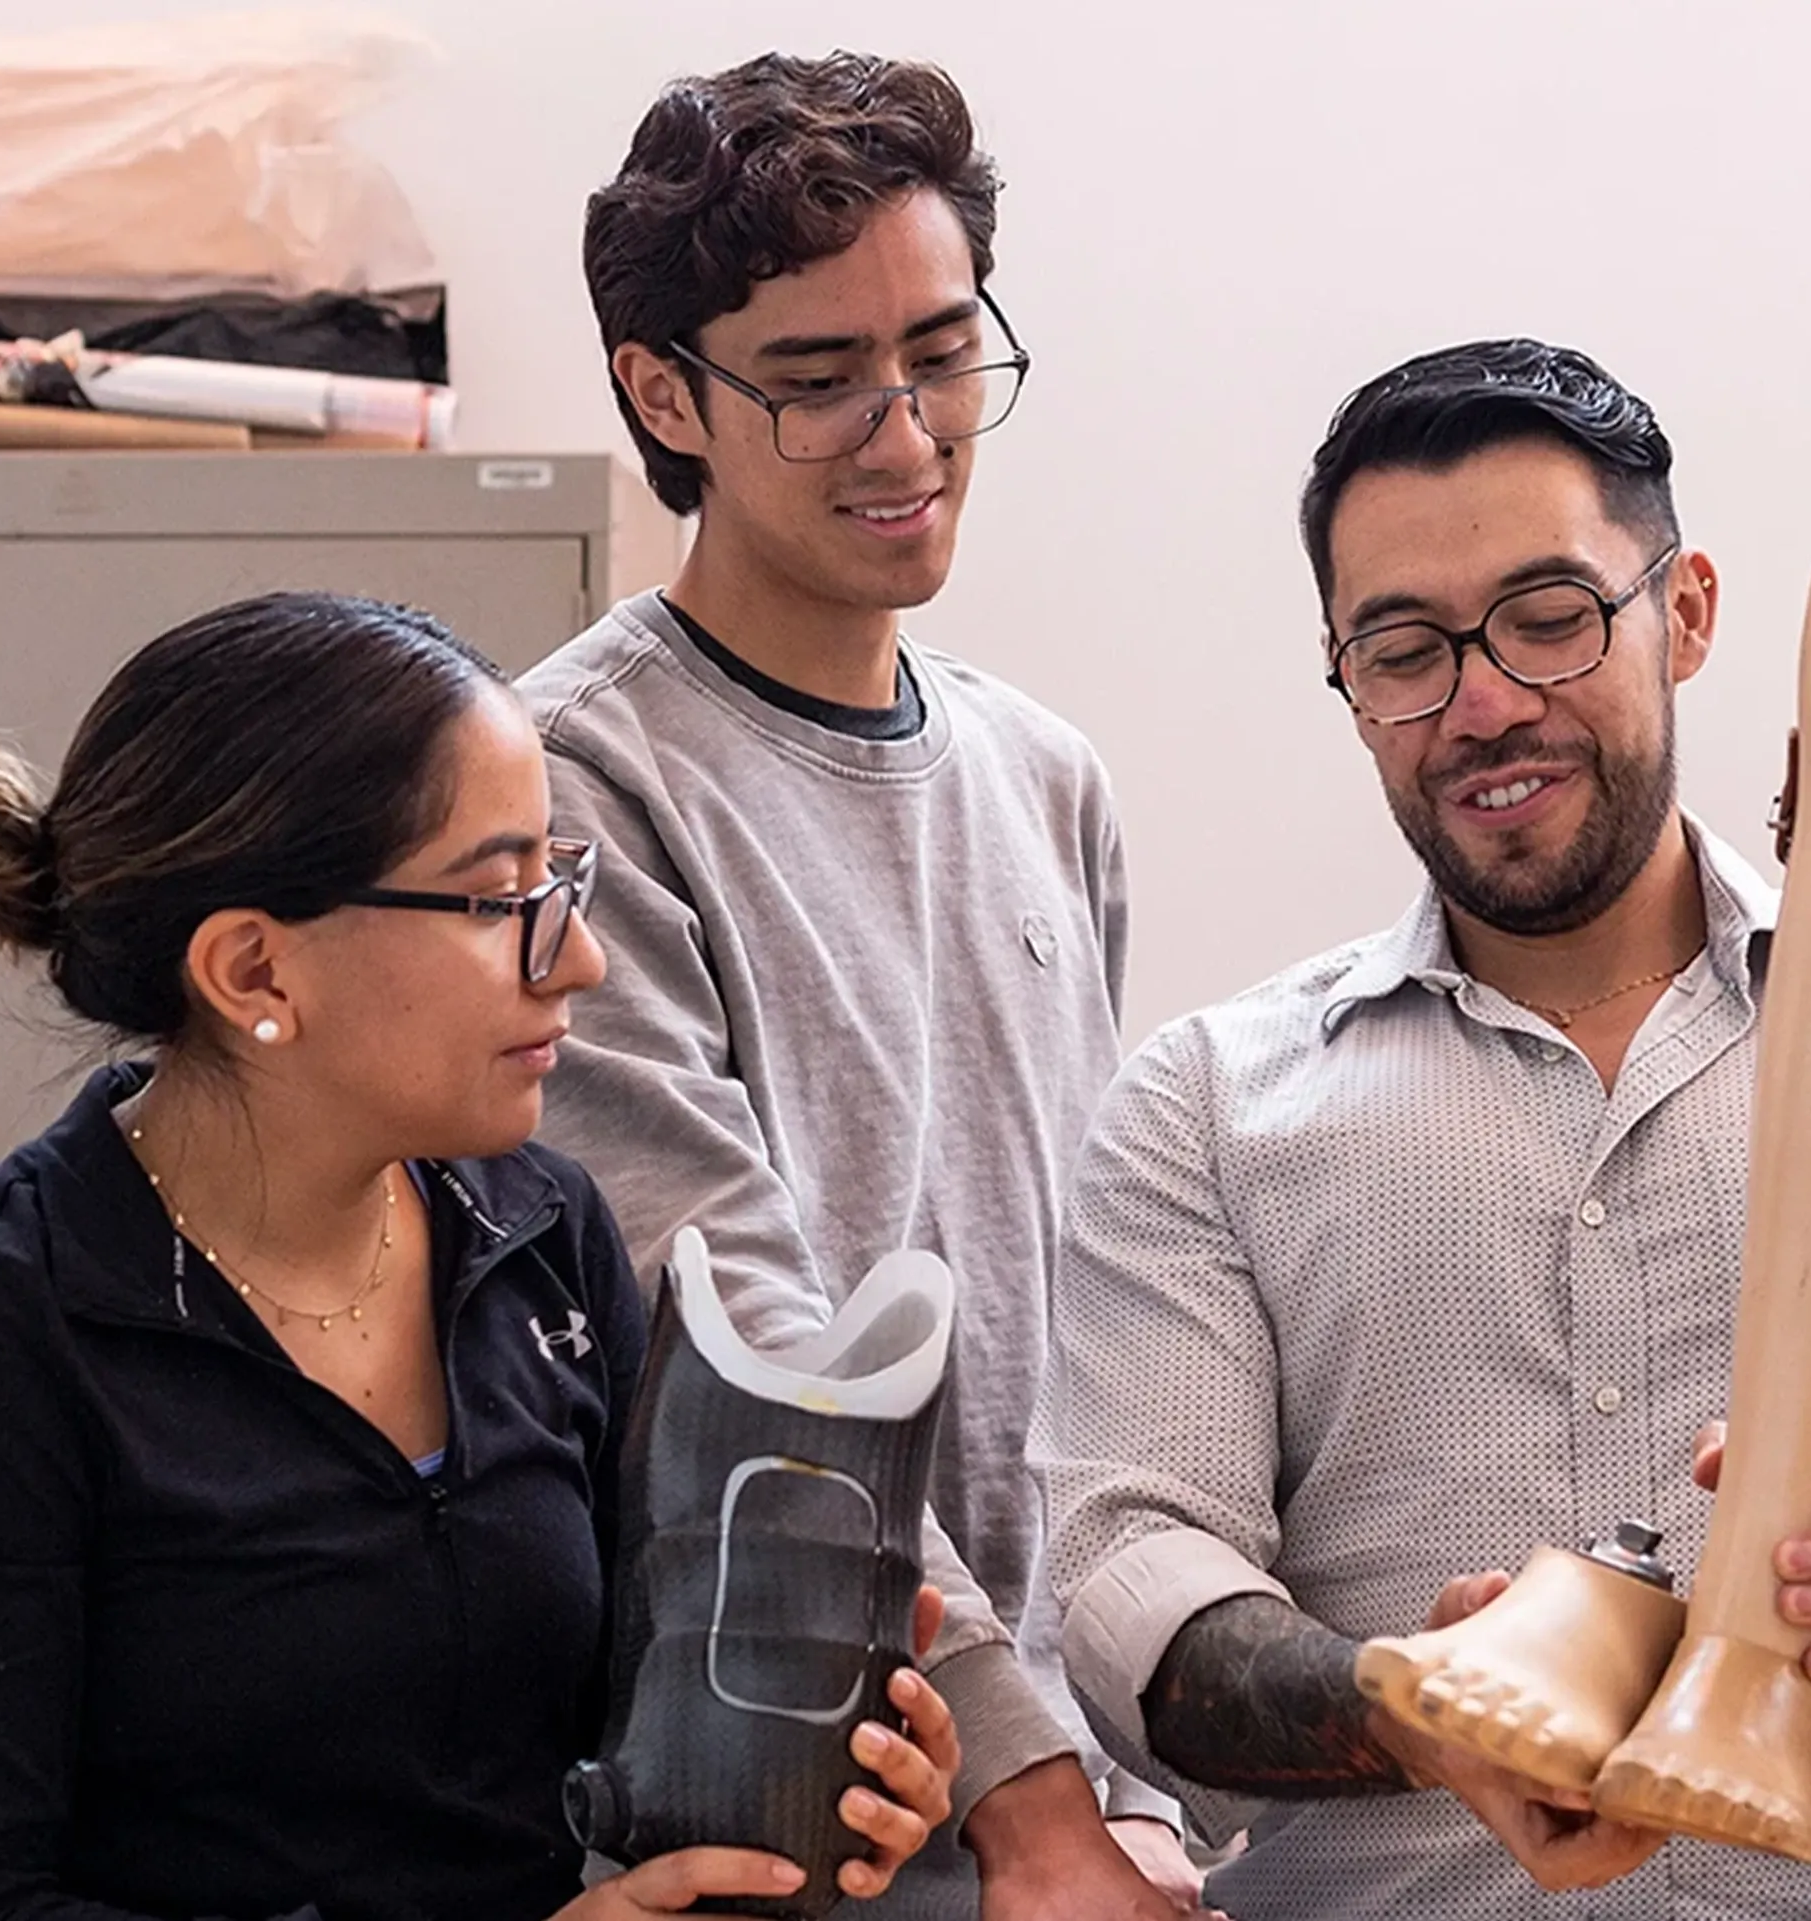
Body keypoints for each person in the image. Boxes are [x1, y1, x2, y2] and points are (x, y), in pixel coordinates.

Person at [1039, 341, 1811, 1918]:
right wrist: (1414, 1711)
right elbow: (1128, 1579)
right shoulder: (1205, 1111)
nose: (1482, 703)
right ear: (1346, 681)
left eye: (1550, 620)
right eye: (1402, 650)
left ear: (1685, 612)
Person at [0, 592, 956, 1921]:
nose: (577, 958)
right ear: (253, 972)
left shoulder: (543, 1238)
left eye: (557, 880)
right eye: (495, 900)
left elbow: (624, 1746)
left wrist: (808, 1783)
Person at [523, 52, 1203, 1921]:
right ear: (664, 392)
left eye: (941, 352)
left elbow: (1094, 1324)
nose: (904, 437)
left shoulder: (1043, 776)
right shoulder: (578, 785)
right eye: (817, 383)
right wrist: (1033, 1808)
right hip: (783, 1798)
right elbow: (748, 1351)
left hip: (1068, 1782)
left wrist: (1114, 1784)